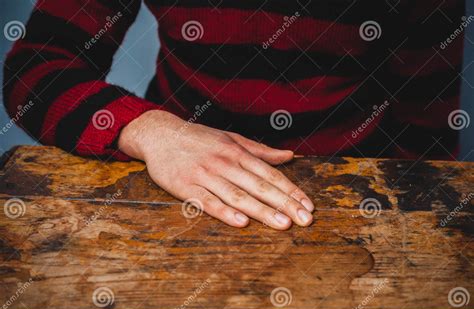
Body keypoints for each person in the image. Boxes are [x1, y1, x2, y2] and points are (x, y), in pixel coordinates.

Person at [3, 0, 466, 229]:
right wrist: (149, 129)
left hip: (347, 196)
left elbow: (426, 113)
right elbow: (34, 67)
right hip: (168, 183)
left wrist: (402, 222)